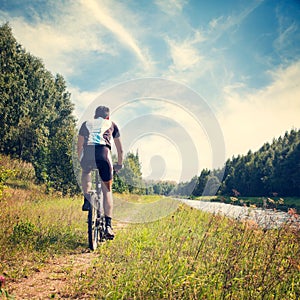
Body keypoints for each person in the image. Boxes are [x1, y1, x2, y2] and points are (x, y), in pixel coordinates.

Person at [77, 106, 123, 240]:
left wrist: (82, 162)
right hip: (104, 154)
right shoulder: (112, 124)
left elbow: (79, 146)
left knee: (86, 172)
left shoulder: (86, 124)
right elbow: (120, 151)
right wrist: (118, 165)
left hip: (88, 154)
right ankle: (108, 225)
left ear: (95, 116)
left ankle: (87, 198)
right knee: (107, 190)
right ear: (107, 117)